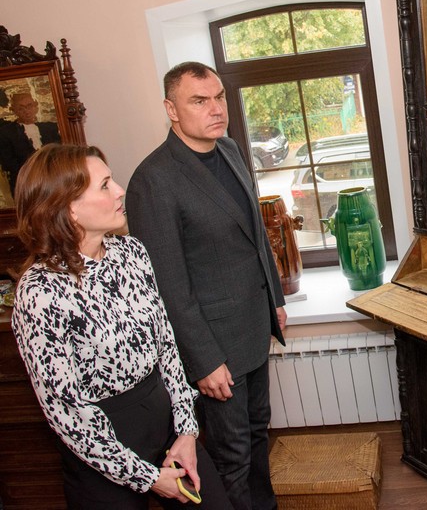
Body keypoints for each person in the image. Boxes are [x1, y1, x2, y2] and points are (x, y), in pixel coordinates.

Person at [11, 143, 232, 509]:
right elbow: (66, 411)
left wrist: (186, 431)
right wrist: (148, 478)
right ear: (68, 208)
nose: (119, 191)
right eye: (104, 185)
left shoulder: (131, 253)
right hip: (99, 451)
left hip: (164, 423)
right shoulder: (40, 292)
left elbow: (166, 347)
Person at [126, 61, 287, 510]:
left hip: (253, 327)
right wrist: (203, 360)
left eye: (219, 97)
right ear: (171, 109)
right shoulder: (152, 180)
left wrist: (274, 300)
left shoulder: (230, 149)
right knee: (231, 457)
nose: (216, 109)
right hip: (214, 349)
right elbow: (167, 285)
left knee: (258, 436)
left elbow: (255, 236)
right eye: (199, 101)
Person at [0, 91, 61, 195]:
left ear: (35, 107)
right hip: (26, 184)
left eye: (29, 106)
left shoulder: (50, 128)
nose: (26, 111)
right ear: (14, 110)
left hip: (54, 179)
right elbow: (9, 163)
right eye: (21, 108)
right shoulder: (7, 133)